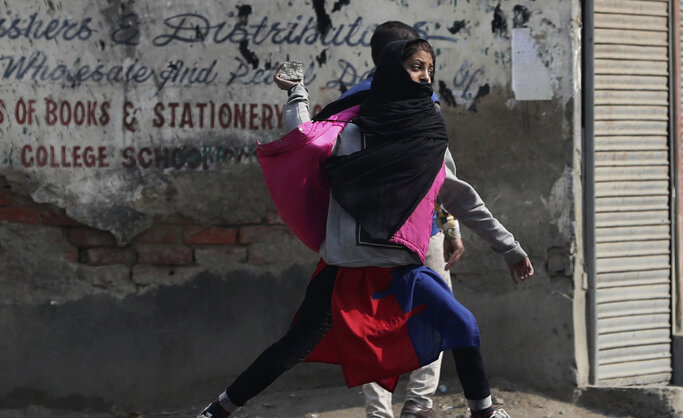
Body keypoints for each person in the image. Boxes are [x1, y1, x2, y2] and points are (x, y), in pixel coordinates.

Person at [198, 39, 532, 418]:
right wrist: (296, 92)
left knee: (464, 325)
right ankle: (219, 409)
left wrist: (511, 249)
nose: (424, 77)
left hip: (402, 270)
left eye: (429, 70)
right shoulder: (353, 131)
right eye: (416, 67)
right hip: (347, 269)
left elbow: (460, 197)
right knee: (295, 346)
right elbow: (304, 137)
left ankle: (483, 412)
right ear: (391, 70)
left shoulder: (429, 138)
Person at [339, 21, 460, 418]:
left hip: (369, 233)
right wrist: (451, 225)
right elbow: (439, 169)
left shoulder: (350, 101)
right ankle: (419, 403)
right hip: (419, 231)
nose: (424, 72)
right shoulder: (421, 97)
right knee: (435, 311)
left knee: (372, 321)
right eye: (416, 60)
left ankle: (381, 411)